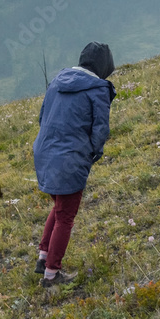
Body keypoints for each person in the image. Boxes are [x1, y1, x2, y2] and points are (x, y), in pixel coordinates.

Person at [32, 42, 116, 287]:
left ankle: (43, 256)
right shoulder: (98, 89)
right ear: (105, 66)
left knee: (59, 206)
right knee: (66, 215)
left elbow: (42, 117)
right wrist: (91, 153)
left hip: (45, 153)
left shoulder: (57, 81)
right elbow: (100, 130)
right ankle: (51, 274)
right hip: (69, 158)